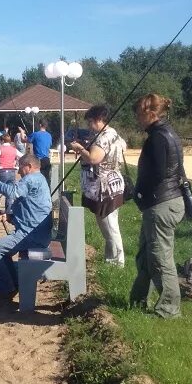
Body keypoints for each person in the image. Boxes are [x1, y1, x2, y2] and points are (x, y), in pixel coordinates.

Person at [129, 93, 186, 318]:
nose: (137, 119)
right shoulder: (164, 133)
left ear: (151, 113)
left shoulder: (159, 137)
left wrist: (139, 192)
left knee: (160, 258)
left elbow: (159, 174)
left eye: (139, 114)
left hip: (162, 203)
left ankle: (169, 309)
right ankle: (137, 300)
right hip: (162, 202)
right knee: (146, 255)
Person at [0, 154, 52, 296]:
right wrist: (10, 217)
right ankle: (12, 283)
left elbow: (13, 192)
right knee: (3, 252)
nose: (18, 172)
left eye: (20, 167)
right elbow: (32, 208)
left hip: (31, 235)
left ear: (29, 167)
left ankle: (5, 287)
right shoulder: (40, 179)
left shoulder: (31, 178)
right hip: (37, 232)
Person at [69, 104, 127, 266]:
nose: (89, 126)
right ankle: (111, 258)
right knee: (107, 223)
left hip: (104, 188)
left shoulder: (103, 137)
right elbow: (124, 147)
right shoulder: (113, 133)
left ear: (98, 119)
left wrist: (80, 149)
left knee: (110, 224)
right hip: (111, 184)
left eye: (90, 122)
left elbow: (94, 158)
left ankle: (118, 261)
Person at [0, 134, 21, 215]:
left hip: (3, 171)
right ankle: (8, 210)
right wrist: (17, 165)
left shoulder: (0, 148)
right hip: (12, 172)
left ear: (2, 141)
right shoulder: (14, 149)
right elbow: (22, 156)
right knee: (10, 191)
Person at [28, 121, 53, 185]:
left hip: (38, 160)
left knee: (37, 179)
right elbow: (49, 145)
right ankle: (48, 193)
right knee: (47, 179)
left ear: (40, 125)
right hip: (47, 159)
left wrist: (22, 132)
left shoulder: (35, 134)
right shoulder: (49, 135)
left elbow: (23, 140)